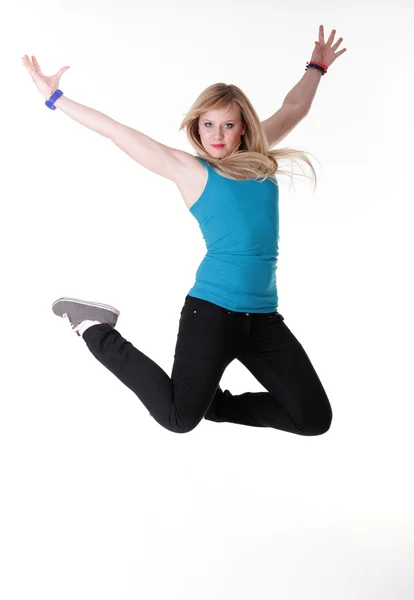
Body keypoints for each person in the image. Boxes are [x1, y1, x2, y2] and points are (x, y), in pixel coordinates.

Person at [22, 55, 333, 436]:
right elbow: (119, 132)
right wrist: (56, 97)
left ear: (242, 129)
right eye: (208, 125)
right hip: (214, 313)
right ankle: (93, 327)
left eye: (227, 125)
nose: (216, 135)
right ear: (197, 128)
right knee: (178, 418)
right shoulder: (192, 171)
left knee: (313, 418)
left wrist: (316, 67)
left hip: (263, 319)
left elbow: (295, 107)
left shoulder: (258, 158)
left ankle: (214, 405)